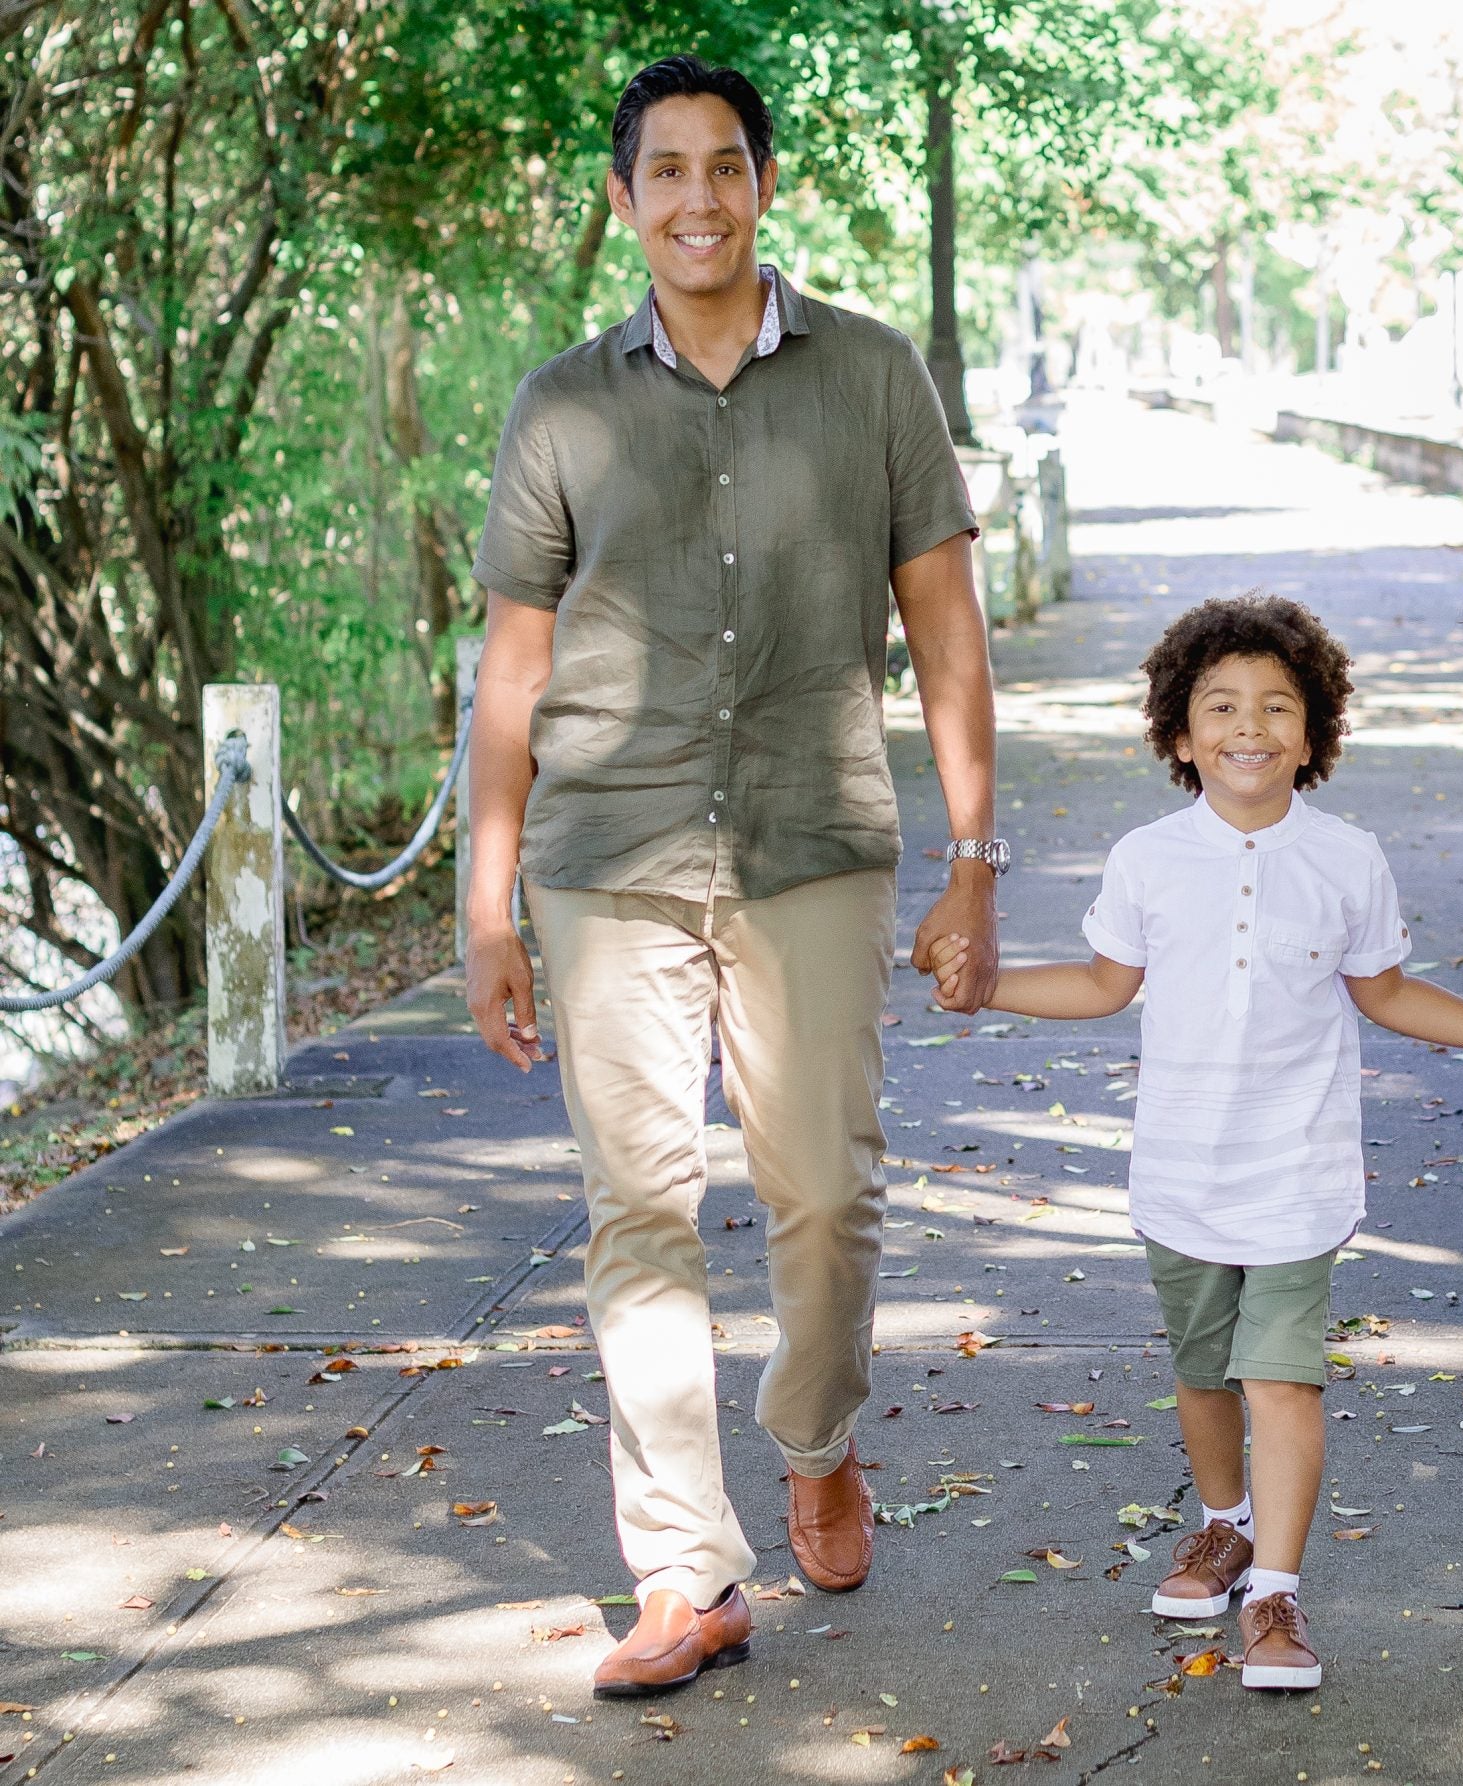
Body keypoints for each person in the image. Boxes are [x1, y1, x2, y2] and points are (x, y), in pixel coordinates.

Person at [462, 55, 1006, 1699]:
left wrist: (978, 857)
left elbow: (948, 630)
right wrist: (485, 897)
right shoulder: (560, 405)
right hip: (606, 853)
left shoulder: (874, 378)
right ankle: (686, 1569)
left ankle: (817, 1436)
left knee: (827, 1192)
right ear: (622, 203)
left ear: (767, 183)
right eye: (665, 173)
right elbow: (509, 667)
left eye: (725, 166)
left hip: (812, 838)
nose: (697, 197)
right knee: (640, 1207)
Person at [927, 596, 1463, 1691]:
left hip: (1296, 1170)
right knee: (1201, 1374)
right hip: (1179, 1170)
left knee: (1282, 1379)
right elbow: (1099, 984)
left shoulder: (1348, 858)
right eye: (1219, 705)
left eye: (1278, 705)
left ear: (1314, 735)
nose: (1248, 725)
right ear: (1178, 735)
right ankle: (1223, 1522)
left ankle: (1275, 1590)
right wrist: (987, 987)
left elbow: (1387, 991)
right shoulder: (1145, 858)